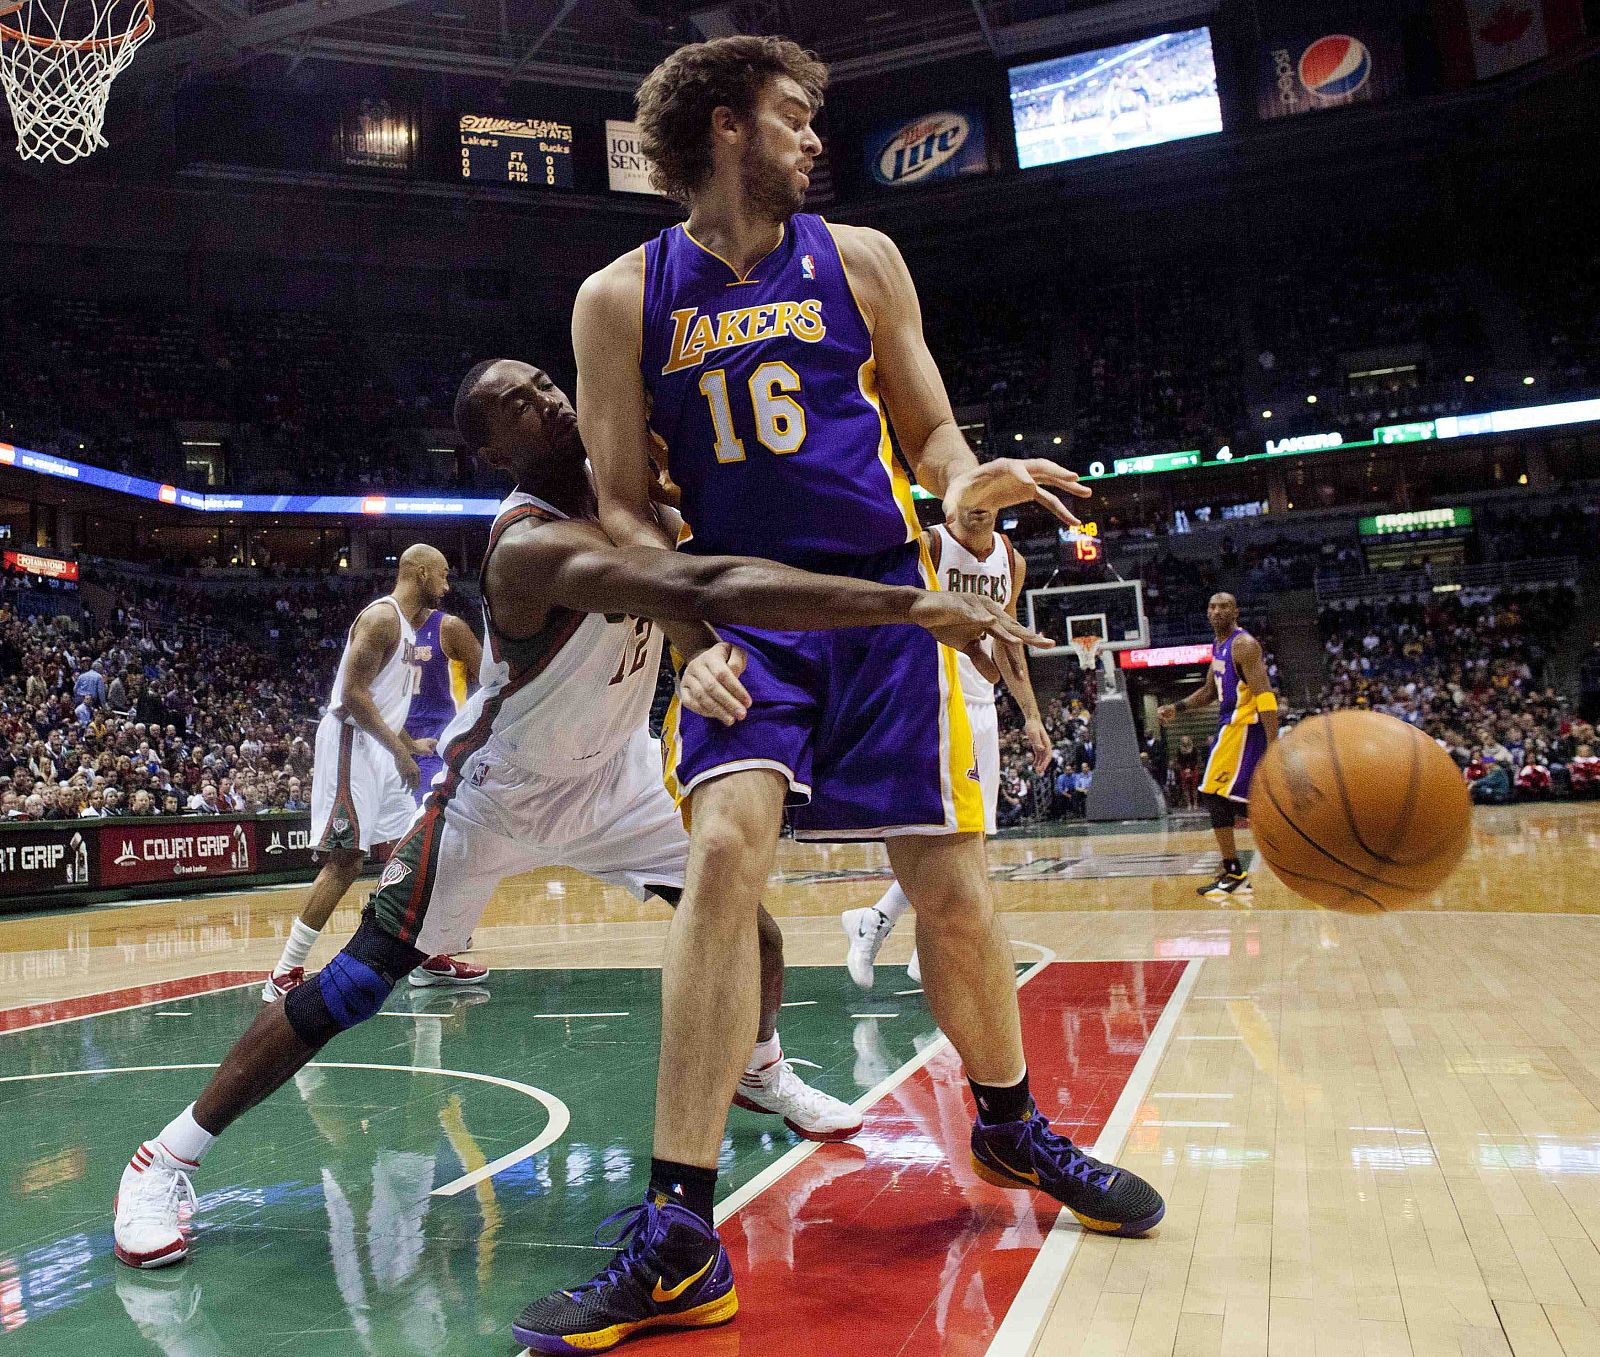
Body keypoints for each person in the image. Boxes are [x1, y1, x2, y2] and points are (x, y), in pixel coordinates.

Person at [518, 36, 1165, 1355]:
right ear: (725, 127)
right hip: (745, 618)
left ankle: (1011, 1121)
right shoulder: (618, 299)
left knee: (949, 887)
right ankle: (681, 1235)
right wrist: (683, 611)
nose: (817, 139)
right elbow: (629, 502)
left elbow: (930, 434)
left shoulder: (861, 260)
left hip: (885, 604)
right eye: (794, 117)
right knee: (719, 861)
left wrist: (968, 484)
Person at [109, 357, 1035, 1274]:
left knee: (749, 930)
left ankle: (760, 1066)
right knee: (358, 981)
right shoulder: (528, 548)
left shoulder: (622, 484)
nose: (545, 398)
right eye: (516, 404)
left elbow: (702, 549)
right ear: (489, 452)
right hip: (500, 792)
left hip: (617, 778)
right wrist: (907, 603)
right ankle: (168, 1155)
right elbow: (695, 586)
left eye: (544, 383)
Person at [841, 501, 1051, 989]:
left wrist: (1033, 715)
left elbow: (1010, 639)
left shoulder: (1010, 559)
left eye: (988, 499)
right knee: (949, 838)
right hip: (932, 698)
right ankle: (893, 934)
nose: (978, 509)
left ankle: (891, 933)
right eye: (968, 499)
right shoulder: (931, 544)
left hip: (981, 705)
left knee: (972, 838)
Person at [260, 547, 485, 1002]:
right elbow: (353, 697)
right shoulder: (382, 619)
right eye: (442, 574)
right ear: (420, 572)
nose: (447, 583)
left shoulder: (406, 628)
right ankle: (284, 971)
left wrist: (409, 743)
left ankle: (427, 957)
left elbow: (379, 702)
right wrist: (401, 752)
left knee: (420, 853)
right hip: (351, 744)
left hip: (380, 747)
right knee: (345, 863)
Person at [1158, 592, 1280, 897]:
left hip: (1244, 727)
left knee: (1213, 794)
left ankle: (1236, 871)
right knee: (1229, 799)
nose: (1217, 611)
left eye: (1224, 606)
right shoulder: (1218, 646)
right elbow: (1209, 691)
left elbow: (1264, 695)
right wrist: (1178, 707)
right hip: (1229, 727)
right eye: (1212, 606)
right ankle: (1235, 871)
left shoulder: (1244, 645)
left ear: (1236, 611)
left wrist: (1274, 742)